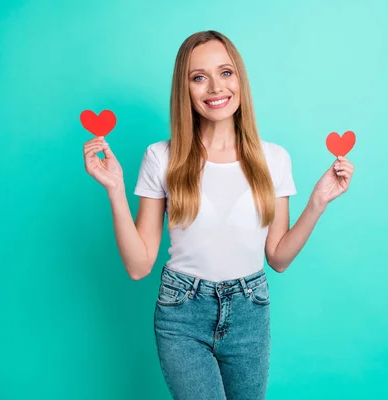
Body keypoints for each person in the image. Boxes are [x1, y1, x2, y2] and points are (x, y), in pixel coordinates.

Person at [82, 30, 355, 400]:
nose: (215, 87)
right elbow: (138, 265)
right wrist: (115, 190)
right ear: (186, 89)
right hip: (182, 313)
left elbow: (278, 257)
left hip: (250, 311)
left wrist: (317, 202)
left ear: (239, 79)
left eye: (225, 72)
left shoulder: (273, 158)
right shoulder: (161, 156)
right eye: (199, 77)